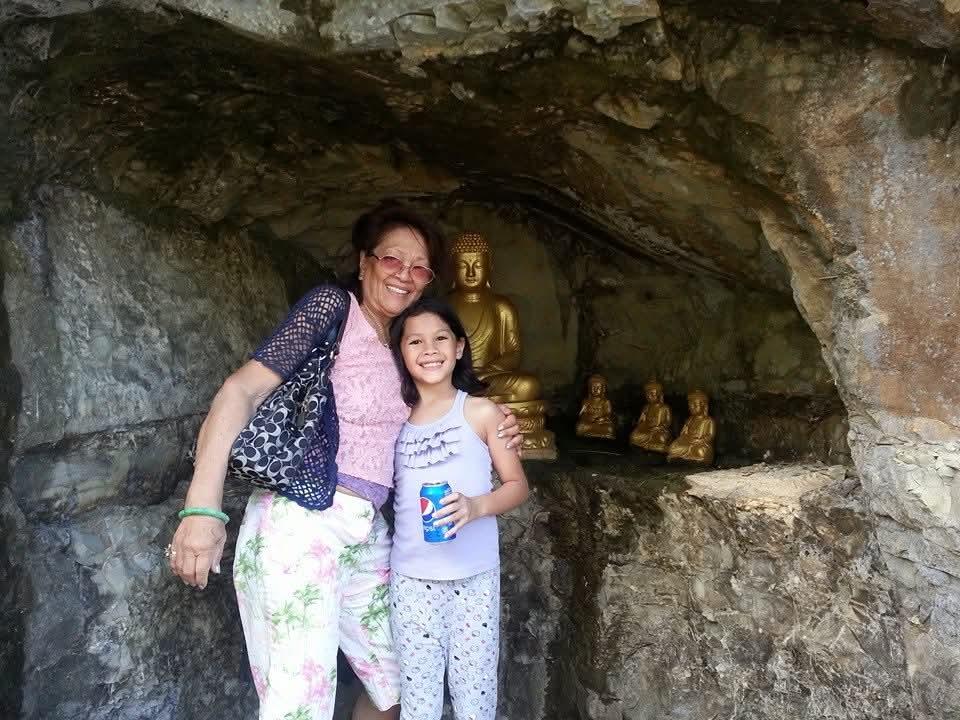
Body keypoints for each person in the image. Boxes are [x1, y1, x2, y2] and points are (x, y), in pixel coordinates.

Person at [167, 204, 522, 720]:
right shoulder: (333, 309)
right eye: (392, 259)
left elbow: (447, 409)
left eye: (419, 267)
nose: (405, 273)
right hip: (299, 522)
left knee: (405, 683)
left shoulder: (406, 347)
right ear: (364, 263)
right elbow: (240, 390)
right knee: (299, 704)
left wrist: (500, 423)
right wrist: (202, 509)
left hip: (368, 531)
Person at [388, 297, 529, 720]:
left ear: (460, 347)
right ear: (401, 353)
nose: (429, 350)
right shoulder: (394, 418)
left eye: (440, 339)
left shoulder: (482, 411)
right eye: (415, 342)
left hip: (474, 580)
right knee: (419, 701)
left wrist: (476, 505)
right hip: (411, 580)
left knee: (475, 697)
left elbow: (518, 485)